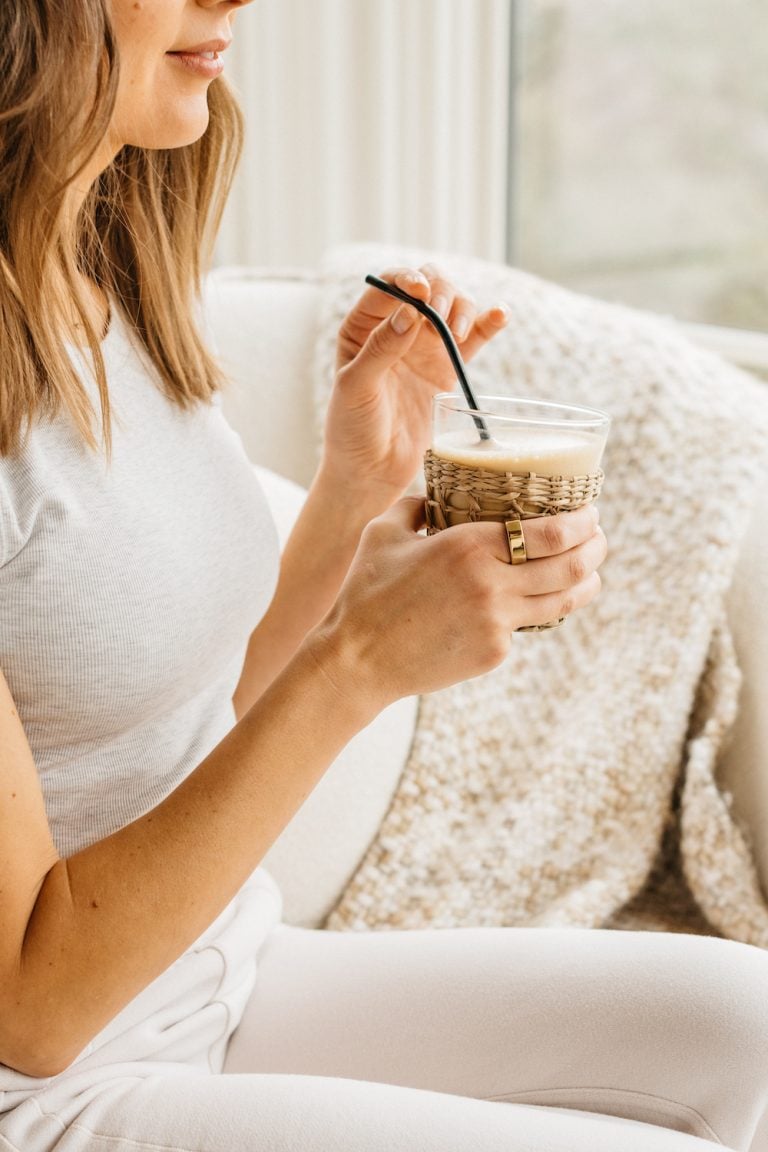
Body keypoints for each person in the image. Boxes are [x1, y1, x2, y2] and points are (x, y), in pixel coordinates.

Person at [1, 3, 767, 1151]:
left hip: (214, 968)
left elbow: (189, 715)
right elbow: (36, 1006)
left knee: (748, 1027)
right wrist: (358, 667)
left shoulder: (102, 279)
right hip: (52, 1083)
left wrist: (358, 488)